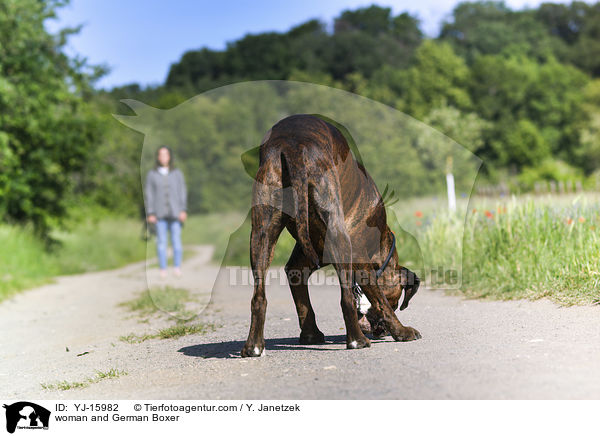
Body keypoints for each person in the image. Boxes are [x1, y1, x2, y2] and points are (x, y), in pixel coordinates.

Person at [144, 145, 188, 278]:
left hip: (176, 214)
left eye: (166, 154)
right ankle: (162, 269)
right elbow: (149, 194)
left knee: (176, 242)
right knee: (161, 243)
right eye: (161, 155)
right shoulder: (152, 174)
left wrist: (183, 209)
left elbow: (182, 192)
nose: (163, 157)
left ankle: (177, 267)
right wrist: (150, 212)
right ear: (157, 157)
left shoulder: (177, 173)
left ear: (170, 157)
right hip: (159, 215)